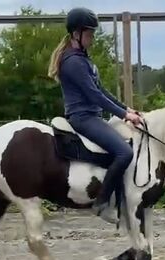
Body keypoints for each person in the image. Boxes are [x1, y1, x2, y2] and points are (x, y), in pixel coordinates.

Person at [48, 7, 144, 222]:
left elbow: (102, 91)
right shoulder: (73, 62)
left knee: (128, 146)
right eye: (89, 34)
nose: (92, 38)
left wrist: (126, 109)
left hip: (93, 116)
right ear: (76, 34)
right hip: (83, 118)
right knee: (124, 154)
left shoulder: (83, 59)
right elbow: (93, 96)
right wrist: (124, 116)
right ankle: (102, 203)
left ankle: (122, 199)